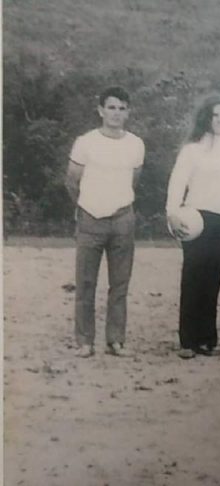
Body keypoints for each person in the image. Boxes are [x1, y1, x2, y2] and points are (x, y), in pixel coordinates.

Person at [65, 86, 145, 358]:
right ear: (100, 110)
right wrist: (85, 207)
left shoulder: (135, 144)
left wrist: (119, 204)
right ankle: (85, 341)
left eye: (122, 108)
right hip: (90, 218)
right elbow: (72, 181)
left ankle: (115, 340)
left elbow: (134, 180)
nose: (116, 113)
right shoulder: (85, 142)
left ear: (128, 112)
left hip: (123, 219)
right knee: (85, 283)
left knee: (120, 284)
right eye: (111, 107)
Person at [166, 93, 220, 359]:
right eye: (214, 114)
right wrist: (173, 214)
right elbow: (177, 182)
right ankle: (188, 340)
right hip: (196, 218)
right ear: (205, 118)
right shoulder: (192, 149)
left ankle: (208, 340)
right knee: (193, 278)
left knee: (213, 279)